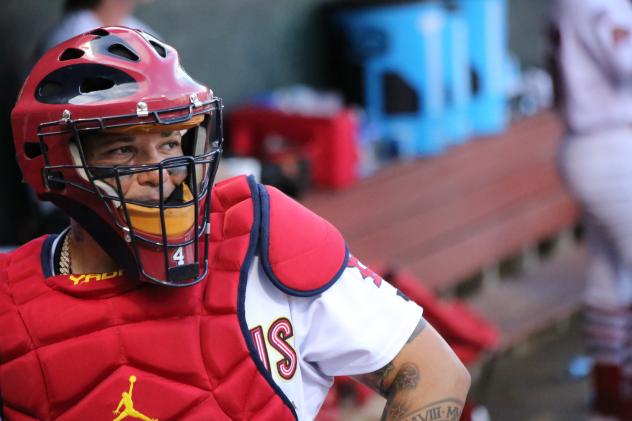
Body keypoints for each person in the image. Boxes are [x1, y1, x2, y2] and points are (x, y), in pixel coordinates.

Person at [0, 27, 470, 420]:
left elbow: (432, 372)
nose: (161, 173)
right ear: (59, 167)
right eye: (123, 150)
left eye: (169, 144)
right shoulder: (12, 304)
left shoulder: (259, 236)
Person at [551, 0, 632, 419]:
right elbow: (624, 61)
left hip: (596, 142)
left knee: (610, 277)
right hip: (605, 142)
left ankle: (608, 397)